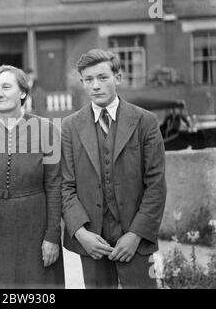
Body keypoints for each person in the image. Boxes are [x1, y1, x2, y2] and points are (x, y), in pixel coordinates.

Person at [61, 49, 166, 289]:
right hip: (93, 242)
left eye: (103, 77)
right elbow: (65, 186)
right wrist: (80, 233)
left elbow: (156, 185)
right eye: (88, 80)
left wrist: (135, 235)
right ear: (82, 83)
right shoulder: (70, 126)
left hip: (137, 241)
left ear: (117, 78)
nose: (95, 86)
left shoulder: (145, 122)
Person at [0, 65, 65, 288]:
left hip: (34, 228)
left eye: (6, 87)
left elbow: (55, 187)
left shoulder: (46, 130)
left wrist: (53, 236)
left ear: (23, 92)